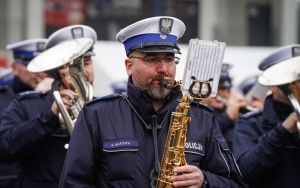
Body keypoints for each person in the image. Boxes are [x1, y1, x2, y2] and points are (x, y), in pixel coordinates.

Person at [59, 16, 244, 188]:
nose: (163, 68)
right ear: (129, 66)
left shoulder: (203, 117)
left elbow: (235, 183)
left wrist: (205, 180)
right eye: (152, 59)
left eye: (169, 59)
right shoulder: (96, 114)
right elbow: (73, 183)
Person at [0, 25, 97, 188]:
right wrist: (50, 117)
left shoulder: (104, 107)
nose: (81, 72)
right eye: (70, 66)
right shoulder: (26, 104)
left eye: (86, 63)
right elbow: (5, 148)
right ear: (54, 71)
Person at [232, 44, 300, 187]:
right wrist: (282, 131)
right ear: (272, 86)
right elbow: (244, 172)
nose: (296, 86)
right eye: (291, 80)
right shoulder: (249, 124)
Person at [0, 38, 48, 188]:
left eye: (43, 64)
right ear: (14, 68)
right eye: (30, 64)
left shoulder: (53, 96)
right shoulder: (3, 97)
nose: (38, 71)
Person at [201, 63, 248, 150]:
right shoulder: (195, 112)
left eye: (224, 89)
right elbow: (203, 137)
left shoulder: (236, 112)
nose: (220, 93)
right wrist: (228, 116)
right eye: (215, 89)